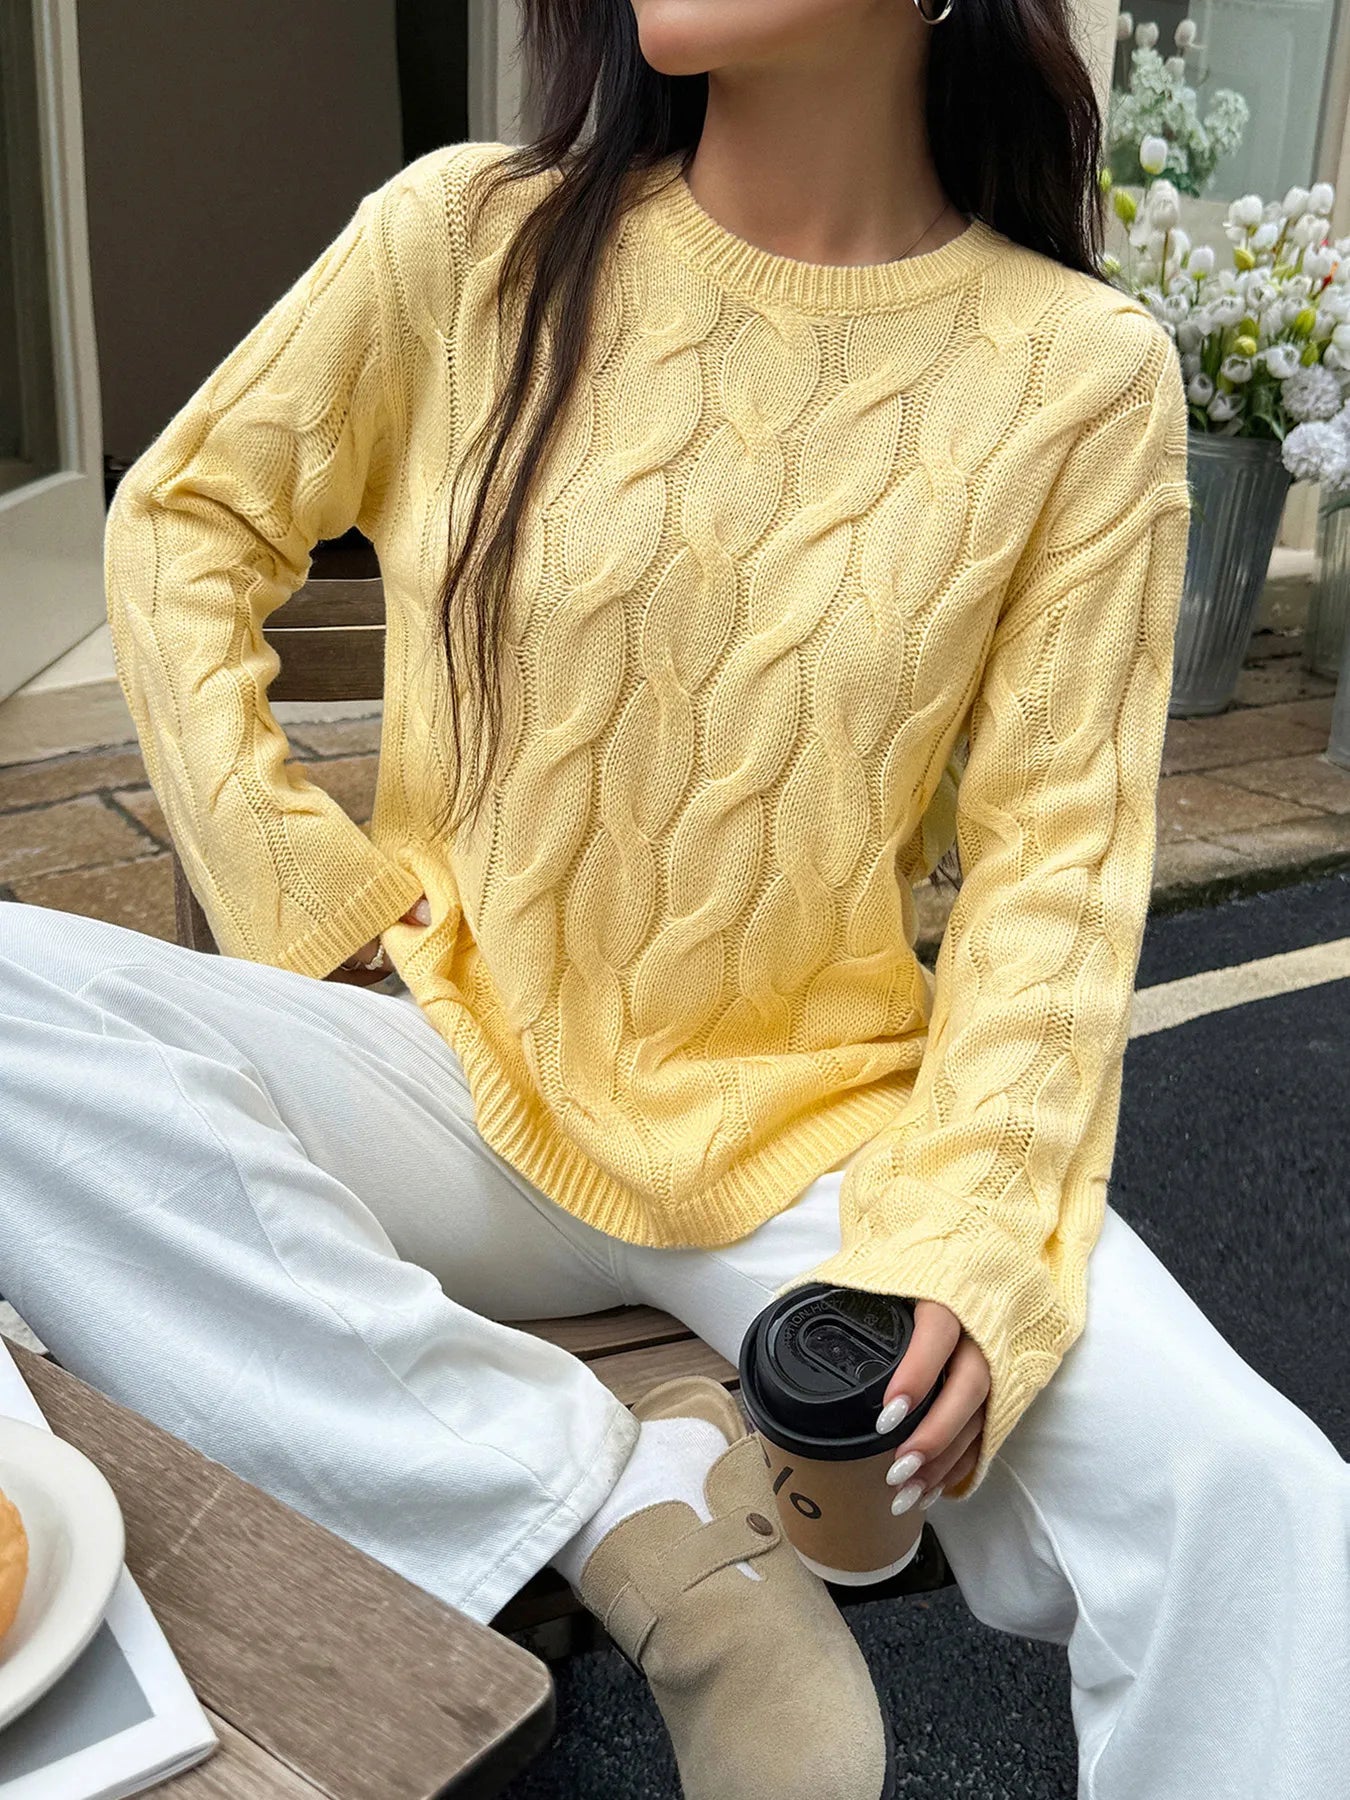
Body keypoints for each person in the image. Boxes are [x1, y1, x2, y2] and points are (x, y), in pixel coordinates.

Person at [2, 2, 1346, 1795]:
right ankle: (617, 1501)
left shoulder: (1078, 376)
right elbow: (182, 520)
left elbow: (1057, 870)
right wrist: (297, 880)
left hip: (815, 1137)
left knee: (1266, 1513)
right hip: (448, 1059)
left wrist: (967, 1231)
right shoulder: (468, 241)